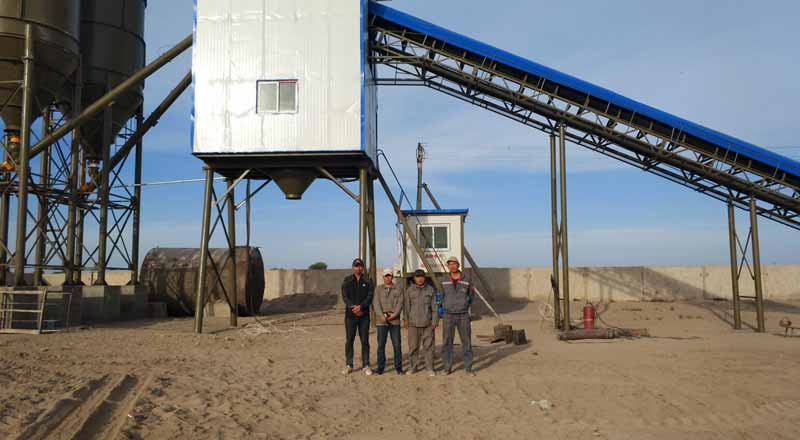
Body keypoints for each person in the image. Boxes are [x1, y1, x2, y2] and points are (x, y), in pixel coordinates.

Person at [440, 256, 475, 376]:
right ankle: (447, 368)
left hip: (463, 315)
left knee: (466, 342)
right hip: (448, 315)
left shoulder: (467, 279)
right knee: (447, 342)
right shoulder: (443, 279)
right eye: (450, 264)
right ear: (447, 266)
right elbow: (440, 295)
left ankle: (468, 368)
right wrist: (443, 307)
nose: (452, 266)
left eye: (454, 263)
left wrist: (464, 304)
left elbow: (471, 296)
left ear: (458, 265)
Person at [341, 258, 374, 376]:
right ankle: (349, 365)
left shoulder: (368, 280)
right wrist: (353, 307)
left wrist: (361, 307)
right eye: (356, 266)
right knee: (349, 340)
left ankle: (366, 365)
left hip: (364, 316)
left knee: (365, 340)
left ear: (363, 268)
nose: (358, 268)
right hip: (350, 316)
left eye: (360, 266)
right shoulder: (347, 280)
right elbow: (345, 297)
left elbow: (370, 296)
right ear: (353, 267)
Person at [403, 269, 438, 376]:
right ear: (414, 278)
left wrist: (435, 321)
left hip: (427, 324)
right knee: (413, 347)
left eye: (422, 276)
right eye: (417, 277)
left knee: (429, 347)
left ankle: (430, 368)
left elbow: (434, 307)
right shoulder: (409, 291)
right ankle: (413, 367)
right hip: (413, 324)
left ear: (424, 277)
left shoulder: (430, 290)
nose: (420, 279)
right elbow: (406, 307)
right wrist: (406, 320)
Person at [375, 269, 404, 375]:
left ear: (392, 277)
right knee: (381, 345)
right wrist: (381, 315)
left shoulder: (398, 289)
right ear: (383, 277)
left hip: (394, 320)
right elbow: (376, 304)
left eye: (390, 276)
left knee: (397, 345)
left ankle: (399, 368)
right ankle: (380, 367)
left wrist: (394, 315)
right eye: (386, 276)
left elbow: (400, 304)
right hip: (381, 321)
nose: (388, 278)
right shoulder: (378, 289)